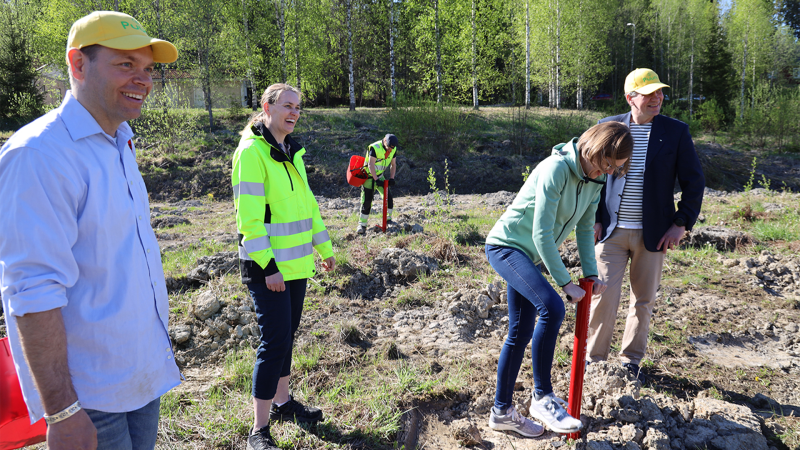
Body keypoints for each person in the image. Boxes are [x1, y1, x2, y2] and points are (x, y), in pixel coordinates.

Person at [0, 11, 180, 449]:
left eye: (147, 69)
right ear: (78, 64)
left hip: (141, 374)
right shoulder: (39, 154)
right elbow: (32, 290)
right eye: (125, 65)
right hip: (89, 396)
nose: (143, 80)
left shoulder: (121, 141)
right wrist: (63, 410)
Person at [484, 122, 633, 436]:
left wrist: (590, 275)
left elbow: (583, 228)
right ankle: (542, 397)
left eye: (614, 170)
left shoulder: (594, 181)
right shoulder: (555, 168)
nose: (605, 174)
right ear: (591, 149)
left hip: (530, 257)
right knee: (552, 307)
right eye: (604, 165)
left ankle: (502, 412)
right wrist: (566, 282)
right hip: (507, 246)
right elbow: (540, 233)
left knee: (520, 331)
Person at [232, 83, 336, 450]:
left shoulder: (292, 152)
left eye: (298, 107)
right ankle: (258, 430)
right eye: (287, 106)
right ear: (267, 107)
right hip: (268, 269)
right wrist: (268, 267)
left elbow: (307, 207)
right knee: (273, 341)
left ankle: (283, 403)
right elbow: (250, 222)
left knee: (286, 336)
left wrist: (324, 248)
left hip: (296, 266)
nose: (293, 112)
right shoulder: (252, 153)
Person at [586, 68, 706, 384]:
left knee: (643, 300)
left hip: (653, 234)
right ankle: (594, 361)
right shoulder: (607, 128)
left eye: (660, 92)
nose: (658, 98)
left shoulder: (676, 132)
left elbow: (694, 181)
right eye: (649, 93)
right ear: (631, 98)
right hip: (610, 231)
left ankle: (630, 361)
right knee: (603, 296)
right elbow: (592, 176)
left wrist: (681, 223)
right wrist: (594, 219)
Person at [356, 134, 398, 234]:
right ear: (384, 141)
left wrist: (392, 178)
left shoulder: (393, 148)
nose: (390, 151)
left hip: (380, 176)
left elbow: (393, 164)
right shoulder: (375, 148)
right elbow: (370, 165)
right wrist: (375, 179)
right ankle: (362, 225)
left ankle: (388, 220)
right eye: (389, 148)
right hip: (369, 177)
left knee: (389, 197)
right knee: (367, 201)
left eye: (392, 149)